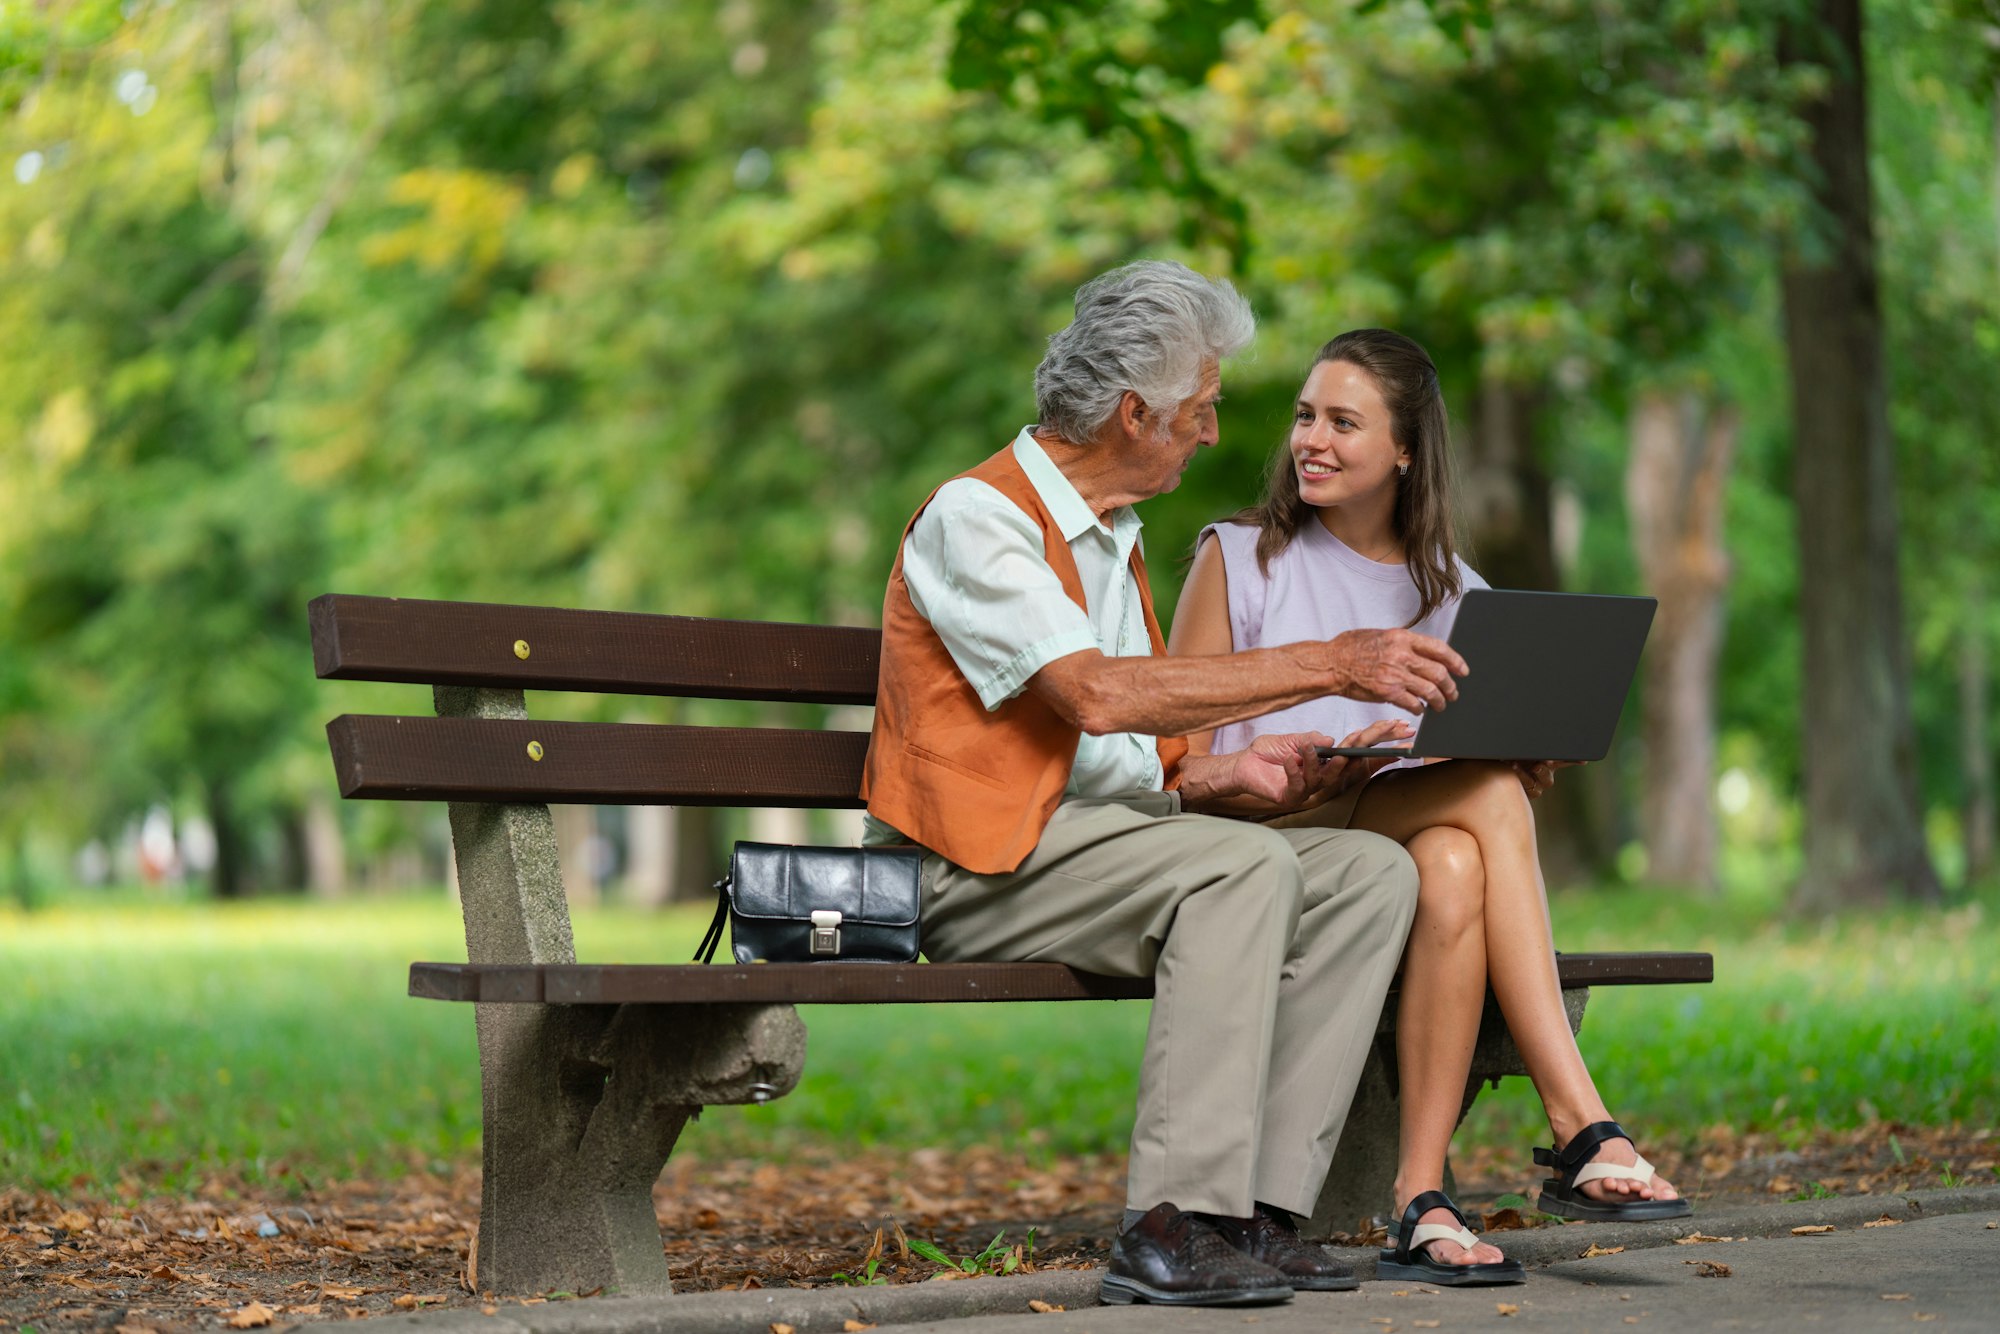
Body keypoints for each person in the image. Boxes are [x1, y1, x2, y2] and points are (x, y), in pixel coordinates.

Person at [859, 264, 1473, 1308]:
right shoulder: (982, 517)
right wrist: (1333, 660)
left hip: (1094, 843)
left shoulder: (1113, 533)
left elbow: (1125, 761)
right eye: (1200, 408)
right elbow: (1095, 697)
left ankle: (1259, 1214)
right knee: (1237, 871)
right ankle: (1171, 1222)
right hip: (971, 864)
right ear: (1134, 413)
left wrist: (1241, 771)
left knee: (1367, 872)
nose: (1212, 431)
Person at [1168, 328, 1690, 1288]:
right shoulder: (1239, 558)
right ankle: (1579, 1120)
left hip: (1382, 843)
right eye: (1304, 416)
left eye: (1343, 422)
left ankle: (1421, 1198)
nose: (1310, 440)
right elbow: (1180, 761)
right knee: (1482, 799)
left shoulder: (1455, 592)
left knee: (1456, 853)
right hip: (1251, 839)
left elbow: (1465, 761)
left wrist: (1511, 750)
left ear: (1406, 450)